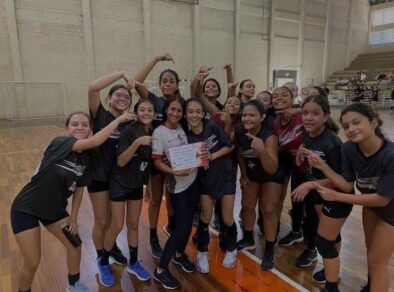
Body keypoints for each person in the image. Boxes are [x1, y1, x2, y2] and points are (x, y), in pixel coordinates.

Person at [11, 111, 133, 292]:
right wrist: (120, 119)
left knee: (75, 245)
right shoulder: (60, 143)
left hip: (54, 211)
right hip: (26, 207)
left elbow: (79, 188)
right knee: (32, 261)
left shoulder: (87, 158)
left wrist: (74, 218)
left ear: (90, 129)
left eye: (85, 124)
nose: (80, 127)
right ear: (67, 128)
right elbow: (94, 141)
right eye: (75, 124)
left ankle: (74, 285)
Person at [310, 103, 394, 292]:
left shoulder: (390, 154)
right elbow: (347, 183)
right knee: (371, 252)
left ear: (373, 123)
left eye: (357, 122)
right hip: (371, 206)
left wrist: (336, 196)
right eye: (346, 126)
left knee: (377, 261)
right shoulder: (348, 149)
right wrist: (323, 166)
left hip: (390, 208)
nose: (351, 129)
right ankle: (373, 286)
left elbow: (382, 199)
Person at [292, 95, 351, 292]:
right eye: (305, 113)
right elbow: (307, 145)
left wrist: (310, 185)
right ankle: (331, 269)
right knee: (329, 233)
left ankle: (332, 276)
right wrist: (301, 148)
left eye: (315, 114)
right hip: (318, 191)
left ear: (326, 116)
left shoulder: (333, 143)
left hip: (335, 194)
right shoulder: (308, 133)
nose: (308, 118)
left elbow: (340, 180)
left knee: (326, 238)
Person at [97, 99, 156, 286]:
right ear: (136, 112)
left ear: (154, 114)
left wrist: (148, 186)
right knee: (116, 225)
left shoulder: (154, 132)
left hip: (136, 185)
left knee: (133, 224)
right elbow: (121, 161)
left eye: (150, 110)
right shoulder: (129, 131)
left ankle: (133, 262)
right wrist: (138, 142)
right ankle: (103, 262)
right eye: (142, 109)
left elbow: (148, 164)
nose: (146, 112)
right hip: (119, 184)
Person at [183, 98, 237, 273]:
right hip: (206, 181)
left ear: (202, 113)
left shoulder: (212, 126)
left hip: (225, 176)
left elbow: (230, 146)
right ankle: (202, 253)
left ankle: (231, 249)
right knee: (205, 218)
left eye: (197, 111)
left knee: (227, 219)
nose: (194, 115)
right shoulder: (186, 137)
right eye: (190, 111)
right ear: (185, 114)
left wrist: (212, 156)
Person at [151, 96, 200, 290]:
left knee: (188, 226)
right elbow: (156, 162)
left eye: (179, 111)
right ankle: (161, 270)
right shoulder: (159, 132)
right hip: (177, 185)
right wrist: (173, 171)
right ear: (166, 110)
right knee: (179, 229)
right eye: (173, 109)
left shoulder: (182, 128)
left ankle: (179, 255)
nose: (176, 114)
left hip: (193, 181)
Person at [133, 53, 178, 258]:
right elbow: (136, 82)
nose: (167, 84)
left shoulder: (181, 103)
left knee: (173, 197)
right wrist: (156, 59)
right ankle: (153, 235)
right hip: (155, 159)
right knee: (155, 199)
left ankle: (171, 225)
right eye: (164, 81)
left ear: (177, 85)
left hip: (175, 159)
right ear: (160, 84)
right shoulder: (153, 100)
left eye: (171, 81)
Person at [87, 71, 133, 266]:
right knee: (101, 221)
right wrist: (122, 73)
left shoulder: (129, 122)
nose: (122, 98)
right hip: (98, 177)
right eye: (118, 95)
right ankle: (100, 256)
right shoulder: (100, 115)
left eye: (126, 97)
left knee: (115, 222)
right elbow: (92, 87)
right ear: (109, 99)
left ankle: (110, 246)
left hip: (117, 179)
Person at [236, 100, 284, 270]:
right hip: (252, 173)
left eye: (252, 115)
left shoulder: (269, 136)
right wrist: (243, 174)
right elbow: (240, 153)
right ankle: (248, 238)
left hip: (271, 174)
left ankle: (270, 249)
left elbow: (271, 168)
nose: (247, 118)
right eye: (244, 115)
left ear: (262, 117)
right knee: (247, 205)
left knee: (268, 209)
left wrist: (262, 149)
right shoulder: (240, 131)